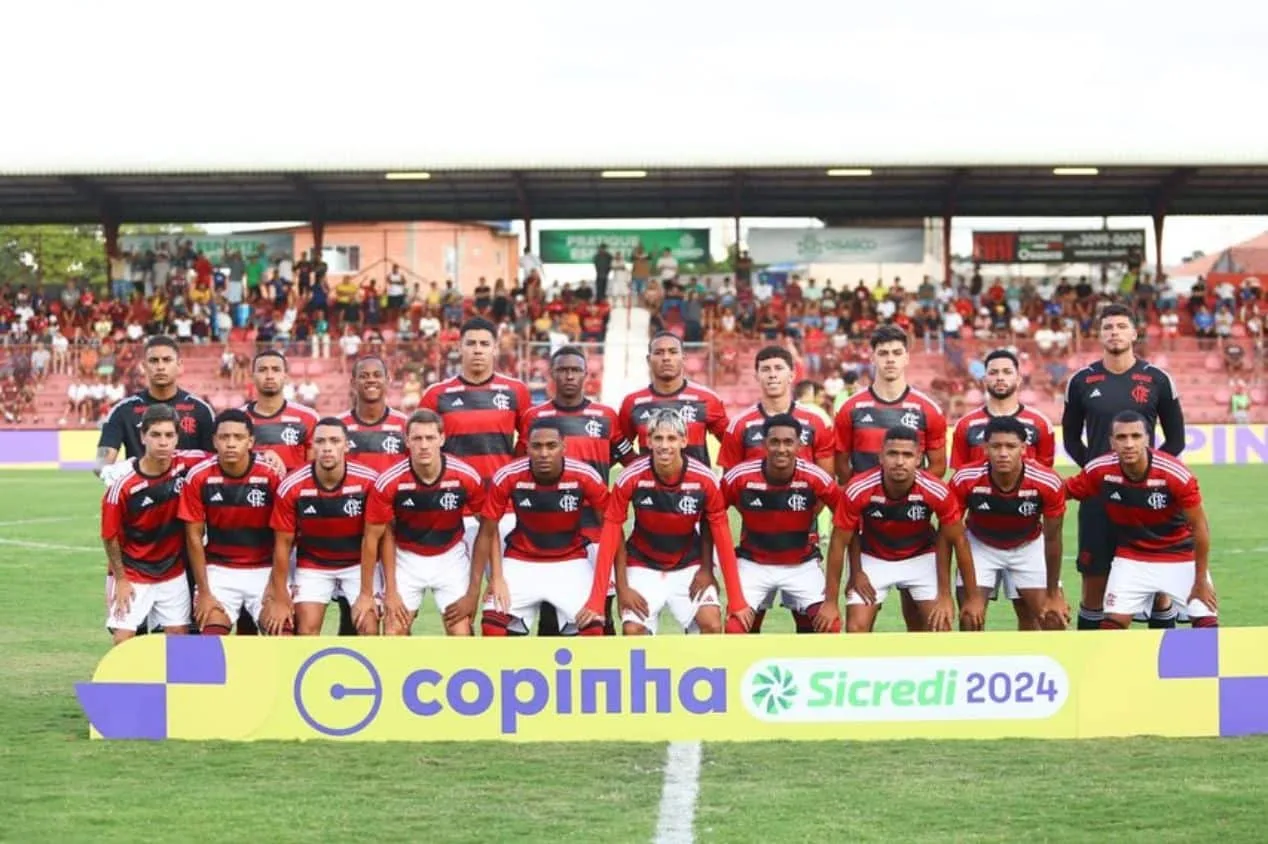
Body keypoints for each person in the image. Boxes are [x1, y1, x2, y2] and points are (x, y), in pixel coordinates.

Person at [1062, 303, 1186, 630]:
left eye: (1120, 326)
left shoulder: (1158, 379)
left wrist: (1149, 477)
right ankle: (1089, 665)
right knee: (1094, 580)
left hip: (1147, 498)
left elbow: (1175, 441)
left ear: (1134, 332)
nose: (1114, 332)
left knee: (1159, 586)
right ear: (1099, 335)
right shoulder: (1081, 381)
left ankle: (1163, 668)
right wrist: (1098, 474)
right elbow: (1072, 439)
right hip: (1099, 497)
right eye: (1108, 327)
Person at [582, 408, 751, 635]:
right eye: (658, 438)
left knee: (711, 623)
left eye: (671, 438)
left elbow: (721, 535)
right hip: (643, 564)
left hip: (689, 563)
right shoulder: (630, 477)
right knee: (633, 631)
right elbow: (611, 533)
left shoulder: (705, 479)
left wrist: (732, 595)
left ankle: (699, 669)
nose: (664, 445)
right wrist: (612, 592)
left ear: (684, 441)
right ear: (649, 441)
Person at [833, 325, 947, 632]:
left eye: (897, 353)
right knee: (858, 626)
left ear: (907, 357)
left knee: (921, 623)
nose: (890, 360)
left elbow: (938, 466)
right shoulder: (851, 409)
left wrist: (902, 494)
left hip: (914, 527)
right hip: (868, 530)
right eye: (883, 353)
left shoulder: (928, 410)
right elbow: (842, 467)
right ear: (871, 357)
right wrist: (868, 495)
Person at [517, 346, 635, 635]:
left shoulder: (606, 416)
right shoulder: (535, 417)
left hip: (595, 532)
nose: (569, 376)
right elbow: (519, 467)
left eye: (575, 370)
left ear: (586, 375)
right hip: (547, 534)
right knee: (551, 618)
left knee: (600, 615)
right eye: (563, 370)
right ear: (552, 374)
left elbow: (632, 464)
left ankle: (606, 676)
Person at [718, 346, 836, 632]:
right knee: (745, 624)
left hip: (803, 544)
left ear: (792, 374)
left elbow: (827, 481)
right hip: (754, 546)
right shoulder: (740, 425)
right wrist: (763, 513)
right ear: (757, 375)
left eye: (778, 369)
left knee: (812, 625)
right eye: (766, 369)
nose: (772, 375)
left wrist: (795, 510)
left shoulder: (816, 421)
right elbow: (729, 488)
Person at [1064, 411, 1217, 629]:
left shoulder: (1175, 474)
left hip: (1180, 555)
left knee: (1206, 622)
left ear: (1148, 439)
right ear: (1111, 442)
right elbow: (1061, 492)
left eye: (1136, 436)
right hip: (1132, 557)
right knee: (1111, 625)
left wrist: (1200, 580)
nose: (1129, 444)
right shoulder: (1100, 470)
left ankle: (1193, 664)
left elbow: (1200, 529)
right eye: (1121, 437)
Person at [821, 426, 980, 634]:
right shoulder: (858, 488)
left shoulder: (936, 490)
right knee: (855, 628)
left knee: (940, 626)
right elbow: (838, 542)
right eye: (892, 453)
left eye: (907, 455)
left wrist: (959, 596)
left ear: (918, 459)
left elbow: (958, 541)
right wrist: (833, 599)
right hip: (874, 557)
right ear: (881, 457)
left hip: (920, 556)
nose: (899, 461)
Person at [949, 347, 1059, 629]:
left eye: (1007, 372)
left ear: (1019, 379)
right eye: (994, 372)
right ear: (983, 379)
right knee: (971, 617)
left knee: (1034, 616)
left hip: (1026, 533)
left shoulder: (1039, 424)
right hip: (981, 531)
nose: (1000, 378)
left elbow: (1043, 475)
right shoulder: (966, 425)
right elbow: (960, 478)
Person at [473, 419, 610, 636]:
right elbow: (488, 530)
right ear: (526, 447)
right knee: (492, 626)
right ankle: (510, 670)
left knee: (592, 630)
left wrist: (603, 588)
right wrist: (497, 578)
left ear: (563, 447)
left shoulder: (585, 476)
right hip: (521, 560)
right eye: (537, 446)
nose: (544, 453)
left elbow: (612, 531)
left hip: (571, 561)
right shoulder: (508, 475)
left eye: (551, 446)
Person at [364, 410, 486, 636]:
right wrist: (390, 591)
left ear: (442, 439)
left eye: (430, 438)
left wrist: (474, 592)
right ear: (407, 440)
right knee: (393, 632)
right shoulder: (390, 481)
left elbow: (488, 530)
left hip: (450, 557)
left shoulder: (465, 476)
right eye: (417, 438)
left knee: (462, 634)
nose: (424, 445)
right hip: (406, 558)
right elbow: (377, 536)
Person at [420, 317, 532, 555]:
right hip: (453, 508)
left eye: (484, 343)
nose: (478, 349)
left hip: (503, 508)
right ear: (459, 347)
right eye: (471, 343)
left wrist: (508, 480)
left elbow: (527, 444)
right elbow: (422, 448)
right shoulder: (437, 395)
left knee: (503, 589)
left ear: (495, 348)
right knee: (458, 589)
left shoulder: (516, 391)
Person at [262, 418, 381, 637]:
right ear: (313, 446)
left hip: (358, 563)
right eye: (320, 441)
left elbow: (374, 539)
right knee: (306, 631)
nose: (327, 447)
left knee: (369, 627)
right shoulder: (292, 485)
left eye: (334, 441)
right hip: (313, 563)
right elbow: (283, 544)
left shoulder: (369, 481)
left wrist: (366, 594)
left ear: (346, 445)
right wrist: (280, 596)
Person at [100, 405, 207, 645]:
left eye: (169, 435)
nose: (163, 442)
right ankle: (123, 683)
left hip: (172, 572)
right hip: (134, 572)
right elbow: (110, 537)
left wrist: (267, 457)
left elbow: (223, 457)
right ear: (142, 437)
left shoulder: (187, 463)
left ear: (177, 438)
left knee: (179, 638)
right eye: (156, 435)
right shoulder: (123, 487)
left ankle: (174, 684)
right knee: (123, 640)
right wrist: (121, 579)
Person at [178, 409, 285, 635]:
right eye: (224, 437)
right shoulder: (198, 476)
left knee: (282, 631)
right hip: (219, 570)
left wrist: (278, 587)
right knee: (210, 634)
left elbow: (284, 537)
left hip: (264, 568)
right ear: (214, 441)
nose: (231, 443)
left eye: (238, 437)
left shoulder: (271, 476)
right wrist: (205, 593)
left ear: (250, 442)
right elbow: (193, 537)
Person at [333, 355, 409, 634]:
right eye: (363, 375)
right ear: (353, 382)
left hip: (392, 533)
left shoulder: (404, 426)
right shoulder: (337, 427)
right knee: (351, 612)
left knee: (397, 610)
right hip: (349, 532)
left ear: (388, 380)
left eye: (377, 374)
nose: (371, 380)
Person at [97, 335, 215, 481]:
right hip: (141, 496)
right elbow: (101, 461)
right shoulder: (123, 410)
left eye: (167, 360)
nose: (160, 366)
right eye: (154, 361)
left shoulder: (201, 410)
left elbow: (213, 461)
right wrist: (111, 471)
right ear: (144, 366)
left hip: (187, 499)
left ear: (179, 365)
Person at [619, 331, 728, 469]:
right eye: (659, 352)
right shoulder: (633, 402)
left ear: (683, 358)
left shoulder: (707, 399)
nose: (666, 358)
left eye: (673, 352)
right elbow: (620, 445)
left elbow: (732, 445)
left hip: (695, 488)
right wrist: (638, 468)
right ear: (648, 360)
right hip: (650, 489)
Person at [241, 350, 320, 472]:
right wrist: (261, 455)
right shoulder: (238, 419)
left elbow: (314, 471)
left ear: (286, 376)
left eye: (276, 369)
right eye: (262, 370)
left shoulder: (308, 418)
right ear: (253, 376)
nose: (269, 376)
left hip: (294, 489)